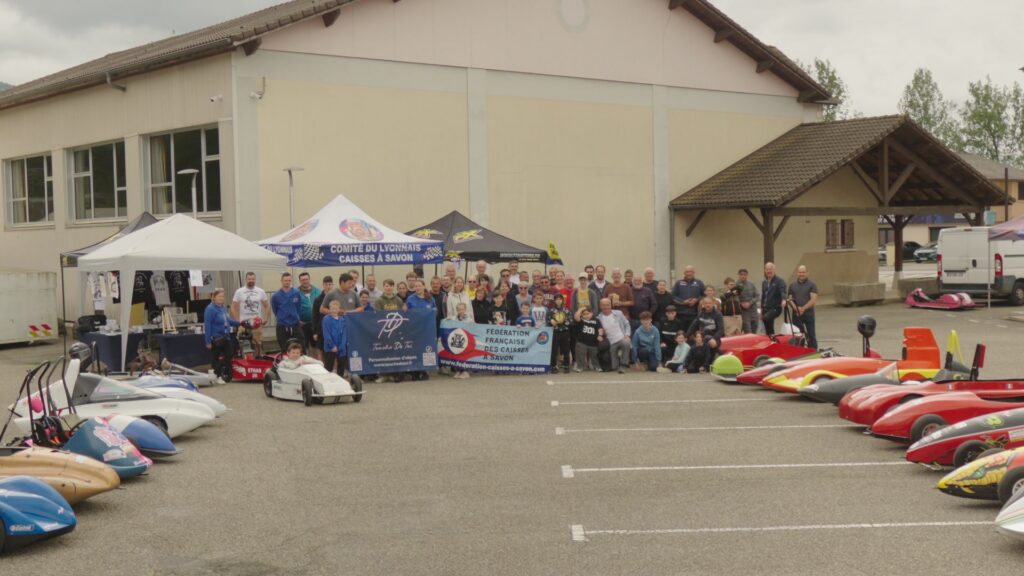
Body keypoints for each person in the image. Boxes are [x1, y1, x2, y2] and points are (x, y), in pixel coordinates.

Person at [204, 288, 239, 382]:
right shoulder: (210, 309)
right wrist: (208, 341)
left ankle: (215, 373)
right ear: (214, 297)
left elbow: (228, 321)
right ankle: (217, 376)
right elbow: (207, 325)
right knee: (215, 357)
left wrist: (239, 323)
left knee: (229, 354)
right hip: (216, 338)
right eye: (219, 296)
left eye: (223, 296)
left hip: (226, 337)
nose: (221, 298)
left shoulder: (223, 308)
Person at [404, 279, 435, 381]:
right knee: (415, 349)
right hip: (414, 329)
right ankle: (415, 372)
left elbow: (435, 312)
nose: (417, 288)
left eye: (419, 286)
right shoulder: (410, 298)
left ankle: (424, 370)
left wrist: (434, 312)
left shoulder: (430, 298)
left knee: (425, 349)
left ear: (424, 286)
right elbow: (405, 312)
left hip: (427, 329)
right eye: (415, 286)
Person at [232, 271, 268, 356]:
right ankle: (244, 363)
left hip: (257, 323)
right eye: (249, 279)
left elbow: (267, 306)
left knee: (257, 345)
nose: (251, 280)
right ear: (246, 279)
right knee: (242, 345)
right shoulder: (239, 291)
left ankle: (258, 361)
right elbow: (233, 307)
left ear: (255, 279)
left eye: (253, 279)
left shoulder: (261, 291)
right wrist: (237, 321)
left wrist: (265, 318)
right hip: (243, 323)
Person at [686, 297, 724, 370]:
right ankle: (692, 363)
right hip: (702, 337)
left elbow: (721, 329)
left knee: (710, 342)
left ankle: (711, 361)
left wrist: (714, 339)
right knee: (690, 340)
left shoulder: (718, 314)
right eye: (706, 303)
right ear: (703, 304)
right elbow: (693, 325)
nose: (707, 305)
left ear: (713, 304)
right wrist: (686, 336)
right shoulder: (701, 313)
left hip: (713, 337)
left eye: (709, 303)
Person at [597, 297, 631, 374]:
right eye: (603, 305)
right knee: (613, 367)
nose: (605, 307)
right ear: (600, 306)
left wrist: (627, 335)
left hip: (621, 338)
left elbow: (627, 324)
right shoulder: (598, 318)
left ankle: (624, 364)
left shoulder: (618, 313)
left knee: (626, 342)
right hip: (610, 342)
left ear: (611, 305)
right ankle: (616, 362)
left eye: (607, 305)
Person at [788, 265, 819, 348]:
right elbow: (790, 299)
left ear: (807, 273)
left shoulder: (812, 285)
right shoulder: (792, 285)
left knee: (811, 336)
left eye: (803, 272)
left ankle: (813, 353)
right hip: (796, 316)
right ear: (797, 273)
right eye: (800, 272)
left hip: (808, 315)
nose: (801, 274)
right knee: (797, 336)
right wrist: (796, 308)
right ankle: (799, 354)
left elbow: (813, 300)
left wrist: (803, 309)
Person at [271, 272, 303, 351]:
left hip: (295, 323)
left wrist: (295, 315)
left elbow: (298, 306)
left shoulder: (296, 292)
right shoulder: (276, 295)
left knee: (300, 344)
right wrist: (281, 317)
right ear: (281, 281)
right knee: (284, 347)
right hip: (282, 324)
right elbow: (275, 309)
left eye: (289, 280)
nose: (287, 282)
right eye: (285, 280)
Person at [672, 266, 705, 331]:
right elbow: (673, 296)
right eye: (687, 272)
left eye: (691, 272)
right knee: (681, 334)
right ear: (684, 273)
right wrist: (683, 302)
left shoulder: (699, 283)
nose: (689, 273)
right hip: (681, 314)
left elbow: (704, 295)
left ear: (694, 273)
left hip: (695, 314)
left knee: (692, 334)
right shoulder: (678, 283)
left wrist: (697, 300)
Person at [321, 300, 348, 377]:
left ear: (339, 309)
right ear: (330, 309)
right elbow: (326, 334)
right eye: (332, 309)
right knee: (328, 367)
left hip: (341, 348)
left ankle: (340, 380)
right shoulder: (326, 319)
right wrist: (332, 346)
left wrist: (342, 346)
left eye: (336, 309)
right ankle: (327, 381)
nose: (334, 310)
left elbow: (344, 335)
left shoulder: (342, 320)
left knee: (341, 366)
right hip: (330, 348)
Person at [296, 272, 321, 354]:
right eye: (302, 280)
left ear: (309, 279)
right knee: (303, 345)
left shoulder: (317, 291)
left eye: (306, 279)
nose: (305, 281)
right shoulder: (295, 293)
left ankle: (316, 364)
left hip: (315, 324)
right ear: (300, 281)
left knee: (316, 345)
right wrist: (297, 320)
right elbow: (293, 307)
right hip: (302, 324)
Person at [761, 262, 787, 336]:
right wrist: (761, 308)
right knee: (767, 326)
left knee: (766, 318)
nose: (769, 271)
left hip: (775, 308)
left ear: (774, 270)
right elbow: (763, 296)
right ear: (765, 270)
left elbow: (783, 291)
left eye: (770, 269)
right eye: (767, 269)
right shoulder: (764, 282)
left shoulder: (779, 281)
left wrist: (783, 300)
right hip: (766, 308)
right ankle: (771, 338)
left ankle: (772, 337)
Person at [573, 306, 603, 372]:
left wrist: (600, 335)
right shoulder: (581, 320)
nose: (586, 315)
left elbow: (600, 329)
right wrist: (581, 309)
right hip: (582, 342)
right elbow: (576, 317)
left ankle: (597, 366)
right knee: (580, 352)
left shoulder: (596, 320)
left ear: (591, 313)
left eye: (588, 313)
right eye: (584, 314)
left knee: (595, 356)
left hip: (593, 343)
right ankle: (580, 367)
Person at [447, 303, 473, 379]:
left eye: (462, 309)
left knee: (464, 355)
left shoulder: (469, 319)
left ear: (465, 310)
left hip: (466, 341)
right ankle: (458, 370)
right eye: (459, 309)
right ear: (457, 310)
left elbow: (473, 328)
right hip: (457, 340)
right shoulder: (454, 318)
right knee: (457, 355)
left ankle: (465, 372)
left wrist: (472, 324)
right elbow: (447, 322)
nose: (461, 311)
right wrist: (447, 320)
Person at [311, 275, 333, 360]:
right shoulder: (318, 299)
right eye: (326, 284)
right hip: (321, 329)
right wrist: (315, 332)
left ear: (332, 285)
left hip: (333, 328)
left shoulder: (335, 298)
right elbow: (314, 316)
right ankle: (321, 369)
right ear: (323, 285)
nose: (328, 286)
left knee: (334, 351)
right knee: (320, 349)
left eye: (330, 284)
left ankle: (334, 370)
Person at [548, 294, 572, 373]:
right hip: (555, 331)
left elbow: (570, 320)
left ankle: (566, 366)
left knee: (566, 350)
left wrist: (563, 322)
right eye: (557, 299)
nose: (558, 301)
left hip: (565, 331)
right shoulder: (551, 310)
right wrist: (551, 321)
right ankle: (553, 366)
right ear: (554, 301)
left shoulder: (566, 310)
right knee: (554, 350)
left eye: (560, 299)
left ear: (562, 300)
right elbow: (548, 320)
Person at [736, 268, 760, 334]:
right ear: (738, 275)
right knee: (748, 331)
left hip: (753, 310)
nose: (743, 276)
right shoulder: (736, 285)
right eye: (741, 274)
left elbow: (757, 296)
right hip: (743, 312)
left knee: (754, 330)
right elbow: (735, 298)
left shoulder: (751, 284)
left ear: (747, 275)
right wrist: (741, 304)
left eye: (745, 274)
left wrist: (750, 303)